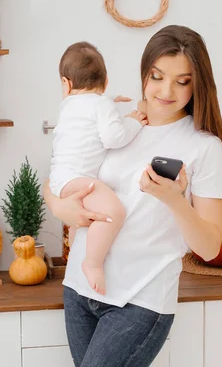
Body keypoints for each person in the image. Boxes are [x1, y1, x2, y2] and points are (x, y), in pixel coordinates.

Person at [44, 25, 222, 367]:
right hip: (80, 289)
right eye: (157, 76)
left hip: (139, 301)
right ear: (144, 71)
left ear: (198, 83)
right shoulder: (118, 124)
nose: (166, 91)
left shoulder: (205, 148)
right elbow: (62, 172)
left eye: (183, 81)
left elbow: (209, 247)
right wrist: (59, 205)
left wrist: (175, 200)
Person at [49, 41, 148, 295]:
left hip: (61, 179)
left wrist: (111, 103)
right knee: (114, 212)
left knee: (80, 222)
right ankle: (92, 263)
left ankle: (75, 258)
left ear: (66, 84)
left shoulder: (68, 106)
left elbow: (89, 111)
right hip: (79, 179)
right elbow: (113, 137)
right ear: (105, 83)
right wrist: (134, 122)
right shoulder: (102, 106)